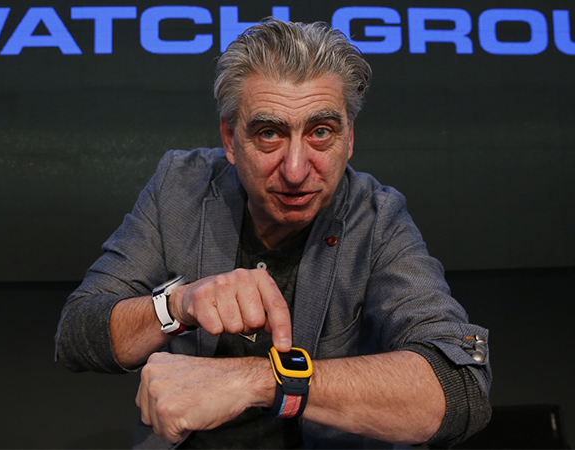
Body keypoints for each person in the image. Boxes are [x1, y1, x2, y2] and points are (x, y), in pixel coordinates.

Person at [55, 18, 492, 449]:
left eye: (321, 132)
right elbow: (77, 334)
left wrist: (259, 380)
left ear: (349, 139)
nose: (296, 171)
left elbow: (461, 386)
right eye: (269, 133)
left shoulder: (377, 218)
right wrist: (178, 305)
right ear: (230, 139)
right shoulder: (180, 186)